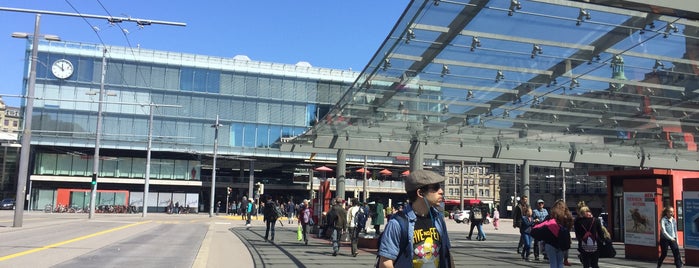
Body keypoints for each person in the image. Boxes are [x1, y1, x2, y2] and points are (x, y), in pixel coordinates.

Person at [377, 170, 454, 268]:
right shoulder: (397, 223)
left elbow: (446, 254)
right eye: (435, 188)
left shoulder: (438, 219)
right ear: (420, 193)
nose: (441, 191)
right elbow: (386, 263)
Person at [540, 199, 573, 268]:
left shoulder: (550, 217)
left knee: (553, 263)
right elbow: (569, 229)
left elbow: (543, 227)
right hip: (562, 242)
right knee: (560, 262)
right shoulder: (567, 217)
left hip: (550, 242)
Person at [574, 202, 603, 268]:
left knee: (586, 264)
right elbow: (600, 233)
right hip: (594, 244)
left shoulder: (578, 221)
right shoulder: (596, 220)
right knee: (594, 264)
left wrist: (580, 241)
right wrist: (602, 240)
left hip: (583, 244)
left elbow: (577, 235)